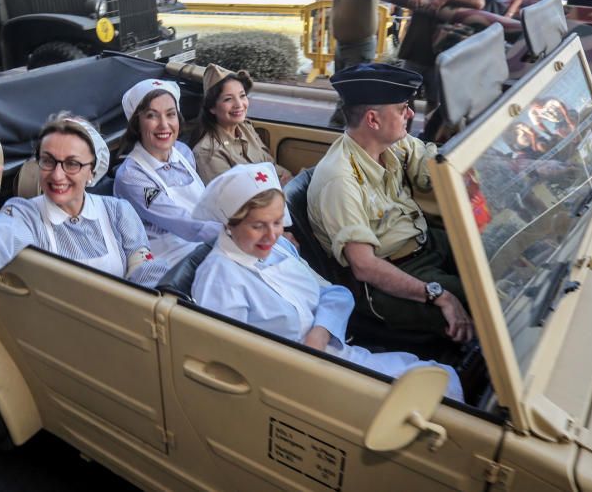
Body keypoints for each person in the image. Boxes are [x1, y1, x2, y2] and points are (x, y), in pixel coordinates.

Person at [192, 162, 465, 400]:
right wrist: (306, 359)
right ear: (230, 223)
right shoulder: (219, 279)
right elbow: (233, 363)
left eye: (277, 222)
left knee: (439, 379)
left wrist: (319, 334)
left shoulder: (280, 248)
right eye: (257, 225)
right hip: (294, 386)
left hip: (332, 354)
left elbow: (335, 294)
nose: (271, 235)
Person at [307, 64, 475, 344]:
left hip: (424, 243)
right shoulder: (340, 180)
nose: (410, 114)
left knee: (497, 253)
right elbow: (365, 266)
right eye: (402, 108)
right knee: (489, 298)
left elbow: (434, 169)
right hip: (393, 276)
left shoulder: (395, 144)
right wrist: (440, 295)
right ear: (373, 120)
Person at [0, 112, 168, 287]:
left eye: (72, 163)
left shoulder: (118, 211)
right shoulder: (26, 215)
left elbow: (143, 270)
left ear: (92, 171)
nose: (57, 175)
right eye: (48, 161)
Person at [114, 78, 222, 269]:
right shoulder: (131, 176)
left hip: (203, 242)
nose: (164, 125)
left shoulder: (183, 152)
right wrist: (235, 233)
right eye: (152, 116)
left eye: (170, 114)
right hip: (169, 260)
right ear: (137, 123)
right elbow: (184, 224)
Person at [190, 63, 293, 185]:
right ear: (212, 108)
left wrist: (287, 177)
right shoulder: (207, 152)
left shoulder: (245, 128)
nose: (239, 104)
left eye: (242, 96)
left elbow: (270, 165)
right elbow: (230, 197)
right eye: (228, 99)